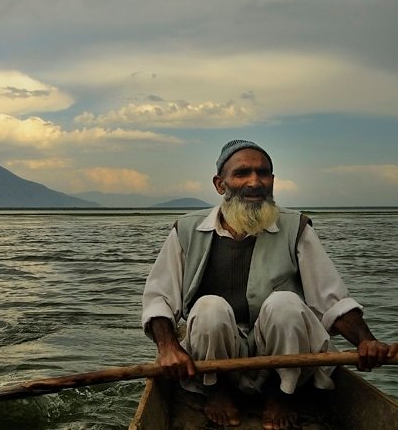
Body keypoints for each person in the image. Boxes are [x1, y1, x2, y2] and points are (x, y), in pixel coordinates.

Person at [141, 139, 397, 429]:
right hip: (215, 359)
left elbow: (331, 298)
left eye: (263, 173)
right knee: (209, 306)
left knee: (284, 303)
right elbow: (159, 297)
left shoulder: (295, 226)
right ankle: (217, 391)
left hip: (284, 355)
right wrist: (168, 347)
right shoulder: (187, 229)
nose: (255, 182)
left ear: (272, 181)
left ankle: (281, 395)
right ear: (220, 184)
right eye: (242, 173)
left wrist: (366, 340)